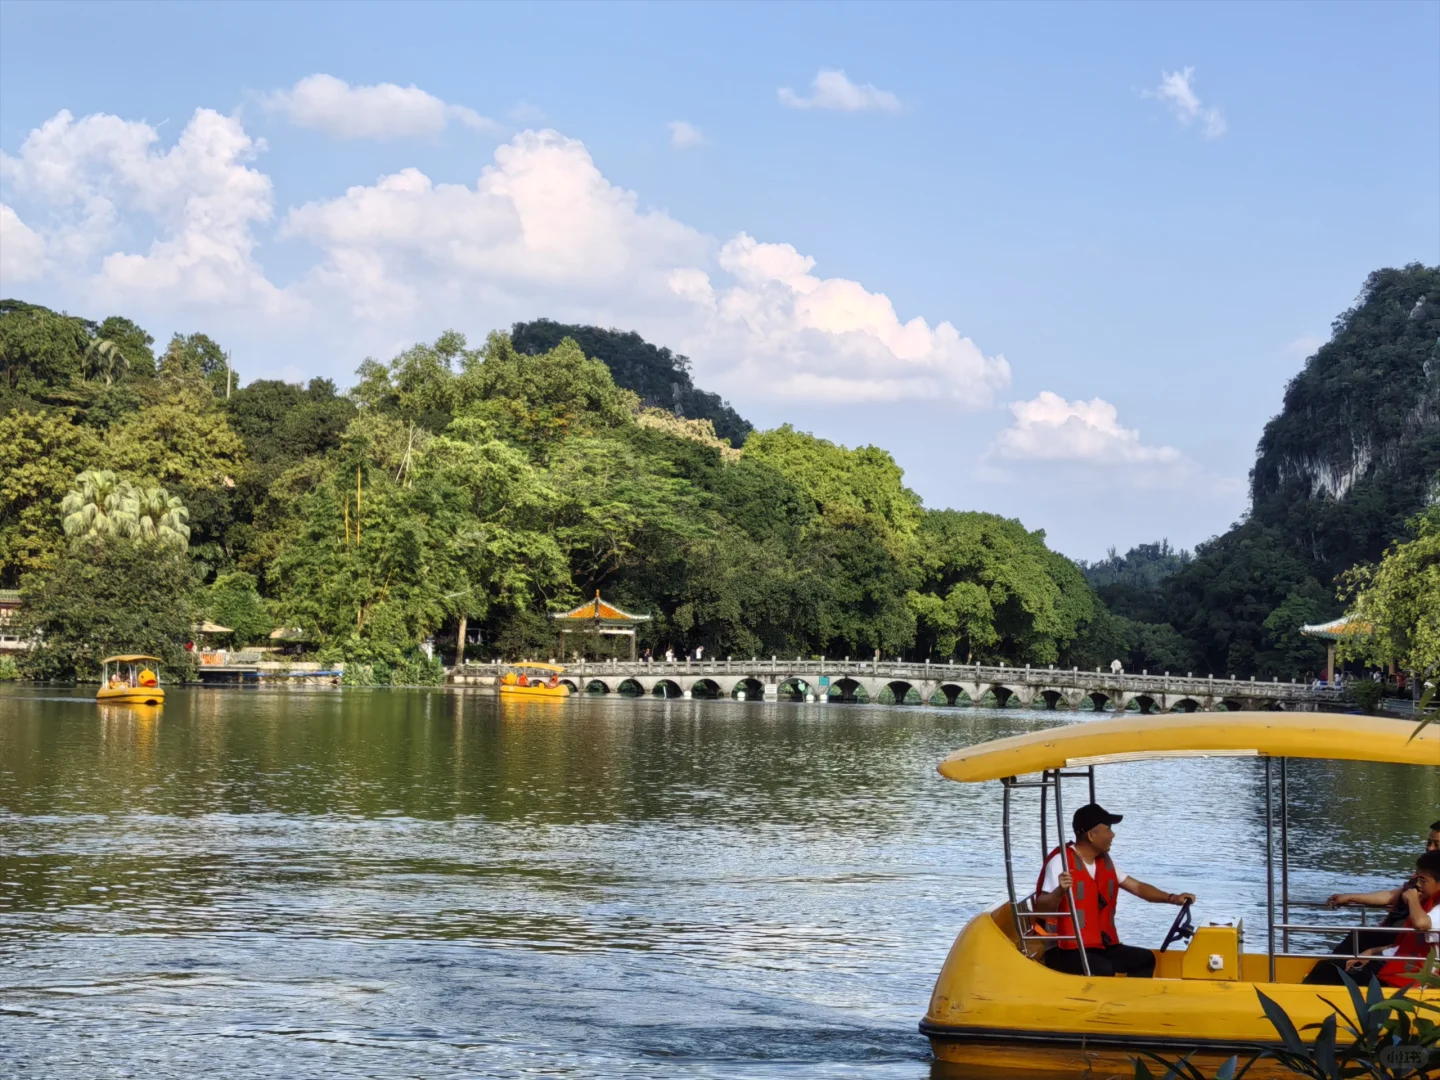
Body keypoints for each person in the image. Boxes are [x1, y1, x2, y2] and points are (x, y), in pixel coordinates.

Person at [1033, 803, 1197, 978]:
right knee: (1103, 968)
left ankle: (1132, 1003)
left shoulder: (1104, 862)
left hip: (1099, 946)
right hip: (1063, 950)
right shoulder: (1060, 862)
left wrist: (1172, 898)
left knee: (1145, 959)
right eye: (1108, 829)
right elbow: (1041, 908)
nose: (1113, 835)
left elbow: (1138, 887)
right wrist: (1059, 891)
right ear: (1091, 835)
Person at [1307, 850, 1440, 986]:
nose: (1418, 884)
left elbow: (1421, 923)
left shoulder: (1431, 908)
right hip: (1395, 960)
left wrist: (1413, 900)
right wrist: (1372, 952)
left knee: (1334, 971)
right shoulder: (1425, 898)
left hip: (1408, 976)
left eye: (1423, 880)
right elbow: (1403, 943)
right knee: (1332, 967)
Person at [1327, 820, 1440, 951]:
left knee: (1359, 939)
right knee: (1358, 938)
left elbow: (1422, 923)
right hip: (1391, 931)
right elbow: (1391, 896)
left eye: (1436, 844)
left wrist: (1413, 899)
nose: (1430, 848)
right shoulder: (1420, 876)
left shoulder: (1432, 884)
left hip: (1405, 938)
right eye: (1429, 843)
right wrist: (1349, 897)